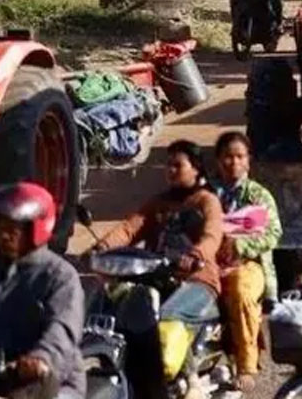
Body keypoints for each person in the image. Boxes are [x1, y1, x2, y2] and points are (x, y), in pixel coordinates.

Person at [96, 140, 225, 385]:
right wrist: (101, 247)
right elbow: (129, 228)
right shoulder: (159, 202)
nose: (171, 170)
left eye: (178, 165)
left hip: (197, 280)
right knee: (114, 304)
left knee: (166, 319)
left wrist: (196, 255)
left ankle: (191, 380)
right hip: (158, 278)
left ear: (196, 168)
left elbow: (213, 235)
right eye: (168, 165)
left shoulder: (207, 201)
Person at [0, 184, 84, 399]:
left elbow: (63, 330)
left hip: (52, 384)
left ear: (35, 229)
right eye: (0, 227)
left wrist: (42, 359)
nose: (4, 235)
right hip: (0, 378)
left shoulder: (60, 277)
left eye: (12, 229)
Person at [212, 131, 282, 390]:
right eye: (228, 157)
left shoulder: (258, 195)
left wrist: (240, 245)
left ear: (248, 161)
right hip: (210, 263)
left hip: (249, 265)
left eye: (239, 156)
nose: (234, 162)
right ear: (218, 161)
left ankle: (247, 365)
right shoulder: (207, 194)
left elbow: (273, 233)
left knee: (241, 291)